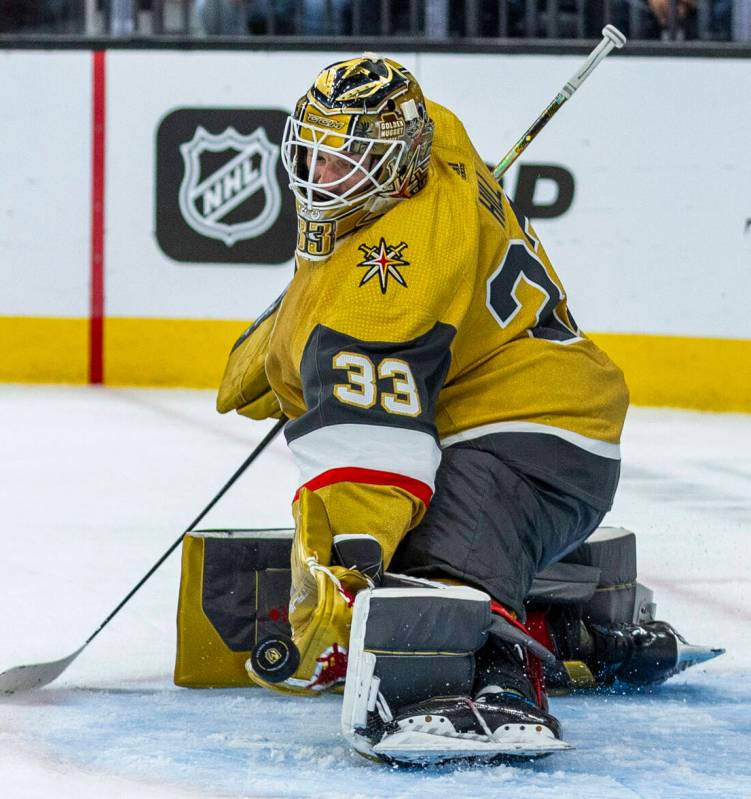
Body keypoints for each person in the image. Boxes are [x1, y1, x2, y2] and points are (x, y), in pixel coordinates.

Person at [215, 55, 705, 763]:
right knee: (423, 543)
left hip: (536, 436)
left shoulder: (391, 276)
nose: (320, 179)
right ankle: (571, 632)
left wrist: (349, 570)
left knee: (426, 569)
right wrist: (293, 335)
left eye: (345, 163)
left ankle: (506, 679)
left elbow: (369, 449)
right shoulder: (436, 139)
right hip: (522, 420)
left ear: (399, 162)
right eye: (314, 155)